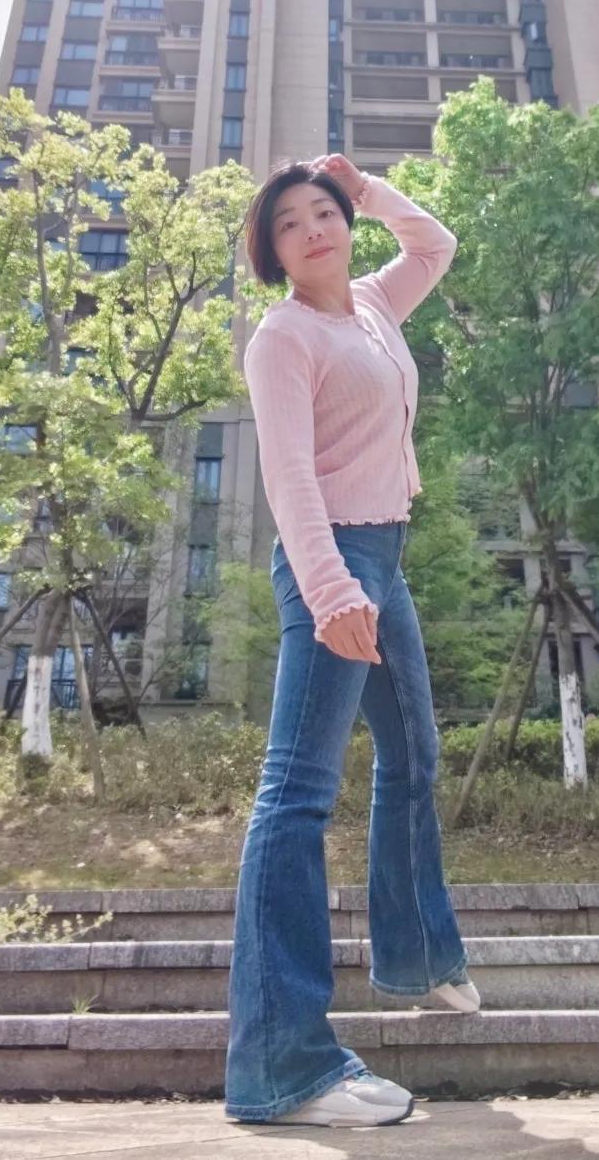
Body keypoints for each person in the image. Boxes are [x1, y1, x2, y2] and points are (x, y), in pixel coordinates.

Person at [224, 152, 479, 1129]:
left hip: (385, 556)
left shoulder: (373, 304)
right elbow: (288, 475)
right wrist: (331, 590)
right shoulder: (282, 336)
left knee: (413, 755)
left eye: (323, 212)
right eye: (288, 223)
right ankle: (282, 1069)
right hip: (329, 561)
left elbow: (437, 244)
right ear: (271, 251)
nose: (312, 230)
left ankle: (416, 957)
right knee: (296, 794)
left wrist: (369, 187)